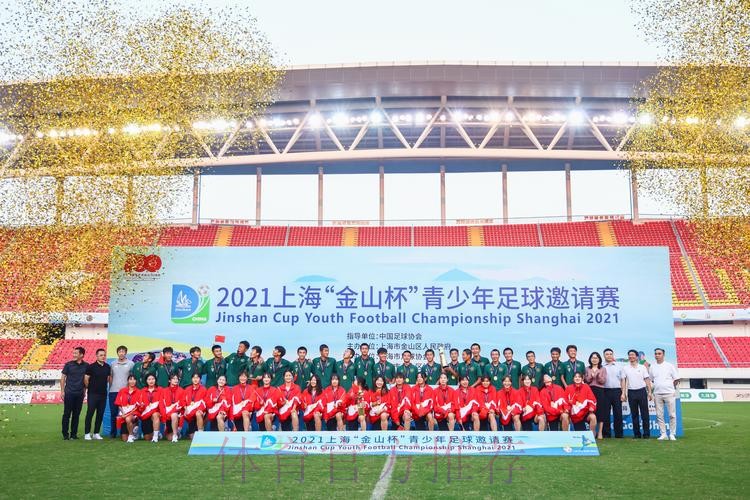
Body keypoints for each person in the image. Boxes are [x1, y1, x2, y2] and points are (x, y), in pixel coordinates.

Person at [649, 348, 680, 440]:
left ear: (663, 355)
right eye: (656, 354)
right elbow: (651, 380)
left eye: (659, 353)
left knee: (672, 415)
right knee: (659, 415)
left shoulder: (669, 366)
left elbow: (676, 379)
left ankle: (672, 434)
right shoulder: (652, 367)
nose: (657, 355)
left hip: (669, 393)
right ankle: (663, 434)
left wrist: (671, 387)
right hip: (657, 394)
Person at [623, 349, 653, 439]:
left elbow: (647, 380)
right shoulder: (625, 368)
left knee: (645, 414)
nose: (631, 356)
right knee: (634, 414)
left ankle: (646, 434)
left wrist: (650, 392)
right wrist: (623, 393)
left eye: (633, 355)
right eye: (629, 355)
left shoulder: (642, 367)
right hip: (631, 392)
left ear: (636, 357)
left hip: (642, 391)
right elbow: (623, 381)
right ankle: (637, 434)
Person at [61, 346, 88, 440]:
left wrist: (85, 391)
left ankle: (73, 434)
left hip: (80, 394)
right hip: (69, 393)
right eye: (73, 353)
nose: (74, 355)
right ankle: (65, 434)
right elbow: (63, 378)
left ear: (82, 355)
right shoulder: (68, 365)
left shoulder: (86, 366)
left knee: (76, 415)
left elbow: (86, 380)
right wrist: (62, 391)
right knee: (66, 414)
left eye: (76, 353)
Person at [83, 348, 111, 440]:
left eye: (104, 355)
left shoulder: (107, 367)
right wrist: (90, 388)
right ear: (97, 356)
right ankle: (87, 433)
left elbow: (108, 379)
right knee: (90, 413)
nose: (103, 357)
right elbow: (86, 379)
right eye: (101, 355)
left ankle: (96, 433)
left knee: (100, 414)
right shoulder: (91, 367)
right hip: (93, 394)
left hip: (103, 394)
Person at [108, 345, 134, 439]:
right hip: (113, 391)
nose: (121, 353)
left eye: (123, 351)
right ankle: (113, 433)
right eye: (120, 352)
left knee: (127, 413)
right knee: (113, 413)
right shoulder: (112, 363)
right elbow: (110, 377)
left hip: (126, 392)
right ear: (117, 353)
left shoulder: (131, 364)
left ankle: (127, 432)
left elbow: (132, 378)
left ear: (126, 353)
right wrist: (111, 388)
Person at [601, 348, 627, 438]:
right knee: (605, 414)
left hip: (617, 391)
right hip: (605, 391)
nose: (609, 355)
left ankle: (619, 434)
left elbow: (623, 380)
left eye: (610, 354)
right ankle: (606, 434)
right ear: (604, 356)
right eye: (607, 354)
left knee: (618, 413)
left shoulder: (619, 366)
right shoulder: (601, 366)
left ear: (613, 355)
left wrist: (623, 393)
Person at [584, 351, 607, 439]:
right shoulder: (587, 369)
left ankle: (600, 432)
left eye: (596, 358)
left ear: (599, 359)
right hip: (589, 390)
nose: (594, 359)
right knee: (590, 410)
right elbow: (586, 380)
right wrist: (591, 376)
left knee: (601, 410)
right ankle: (592, 432)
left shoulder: (603, 369)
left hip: (600, 390)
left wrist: (597, 376)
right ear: (590, 359)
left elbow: (603, 381)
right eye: (593, 358)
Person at [114, 374, 140, 442]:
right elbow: (119, 404)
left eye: (134, 379)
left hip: (134, 414)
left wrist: (128, 414)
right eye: (130, 379)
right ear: (128, 381)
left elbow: (138, 406)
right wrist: (123, 413)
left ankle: (131, 436)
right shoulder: (122, 391)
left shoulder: (139, 392)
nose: (132, 381)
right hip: (124, 414)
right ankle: (133, 432)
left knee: (128, 419)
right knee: (124, 439)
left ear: (136, 381)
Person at [160, 373, 184, 442]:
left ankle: (175, 435)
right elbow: (161, 405)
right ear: (169, 380)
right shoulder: (164, 391)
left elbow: (181, 405)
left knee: (174, 415)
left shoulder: (181, 390)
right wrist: (165, 419)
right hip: (167, 416)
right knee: (169, 438)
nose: (176, 380)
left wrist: (172, 412)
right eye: (173, 379)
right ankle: (175, 433)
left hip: (177, 415)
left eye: (177, 379)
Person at [183, 372, 207, 439]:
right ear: (191, 379)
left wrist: (200, 409)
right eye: (194, 378)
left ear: (200, 379)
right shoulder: (187, 389)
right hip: (190, 413)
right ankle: (189, 432)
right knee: (192, 437)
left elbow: (204, 402)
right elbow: (183, 400)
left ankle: (200, 432)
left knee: (198, 413)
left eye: (197, 378)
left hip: (199, 412)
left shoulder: (203, 389)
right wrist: (185, 408)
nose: (195, 379)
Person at [139, 373, 162, 442]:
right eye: (149, 379)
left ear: (155, 380)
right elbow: (140, 404)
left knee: (155, 414)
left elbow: (162, 403)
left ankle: (155, 436)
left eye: (153, 379)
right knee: (147, 438)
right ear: (146, 381)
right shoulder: (142, 391)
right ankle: (156, 433)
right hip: (146, 414)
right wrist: (141, 406)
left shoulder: (160, 389)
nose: (151, 381)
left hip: (156, 413)